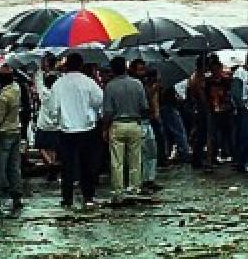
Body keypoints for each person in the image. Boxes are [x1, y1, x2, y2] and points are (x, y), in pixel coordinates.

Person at [44, 53, 104, 208]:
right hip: (87, 129)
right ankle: (88, 197)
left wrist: (59, 119)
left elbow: (52, 108)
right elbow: (99, 101)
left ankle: (67, 198)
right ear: (81, 65)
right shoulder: (89, 82)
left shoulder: (58, 84)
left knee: (67, 166)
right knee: (87, 165)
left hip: (66, 131)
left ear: (66, 65)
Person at [102, 56, 147, 202]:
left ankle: (118, 190)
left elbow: (108, 111)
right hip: (134, 124)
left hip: (117, 125)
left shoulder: (110, 86)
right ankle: (135, 188)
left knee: (117, 161)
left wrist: (104, 128)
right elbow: (144, 107)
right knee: (135, 159)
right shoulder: (138, 84)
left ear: (113, 70)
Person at [0, 65, 23, 214]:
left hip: (1, 134)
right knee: (13, 166)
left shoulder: (2, 97)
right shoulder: (16, 89)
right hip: (15, 130)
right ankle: (16, 195)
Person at [203, 56, 234, 170]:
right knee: (212, 137)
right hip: (214, 111)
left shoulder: (225, 80)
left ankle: (217, 158)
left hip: (224, 110)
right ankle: (210, 160)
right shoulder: (209, 82)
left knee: (226, 135)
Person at [137, 64, 164, 192]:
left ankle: (150, 178)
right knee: (145, 152)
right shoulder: (142, 87)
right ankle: (143, 179)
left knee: (152, 151)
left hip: (149, 121)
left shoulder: (151, 88)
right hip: (142, 122)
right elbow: (145, 103)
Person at [34, 71, 62, 180]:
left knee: (41, 147)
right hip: (56, 125)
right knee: (53, 148)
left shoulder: (44, 93)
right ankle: (52, 165)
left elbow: (38, 83)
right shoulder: (59, 94)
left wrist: (40, 70)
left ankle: (50, 164)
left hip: (43, 124)